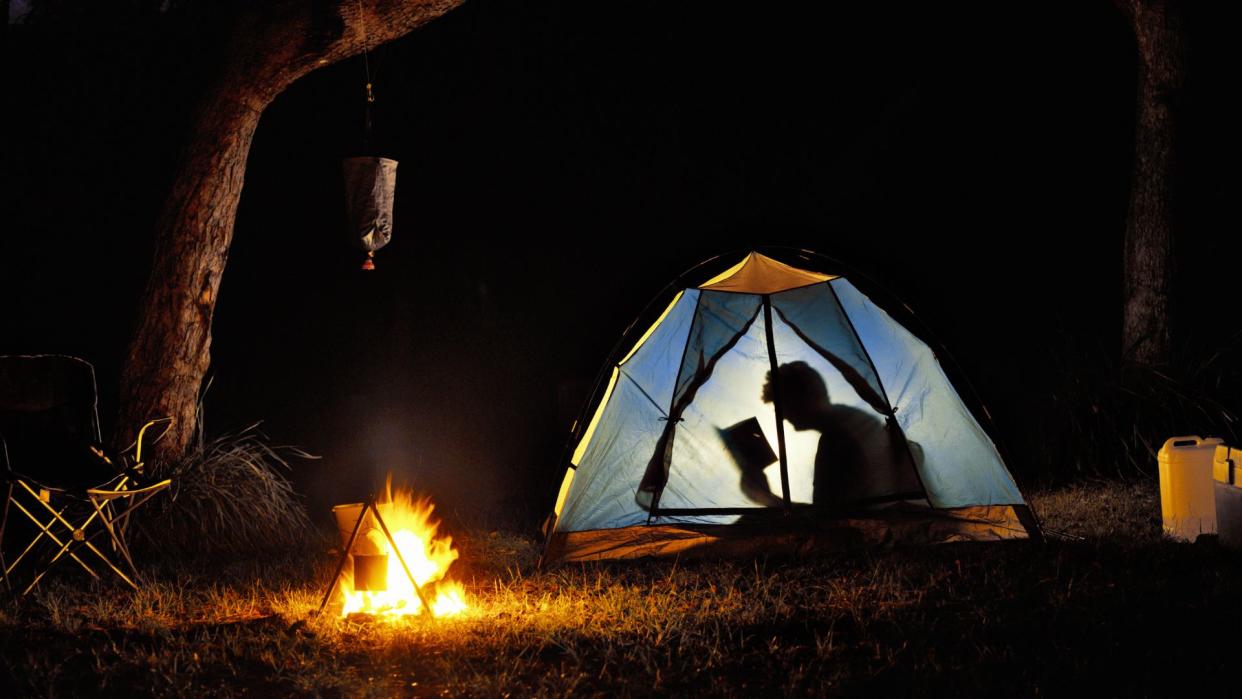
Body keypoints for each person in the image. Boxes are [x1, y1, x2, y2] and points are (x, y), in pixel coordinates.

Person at [755, 360, 920, 510]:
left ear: (802, 399)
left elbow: (828, 518)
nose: (782, 417)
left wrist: (767, 498)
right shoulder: (852, 421)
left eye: (782, 406)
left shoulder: (836, 438)